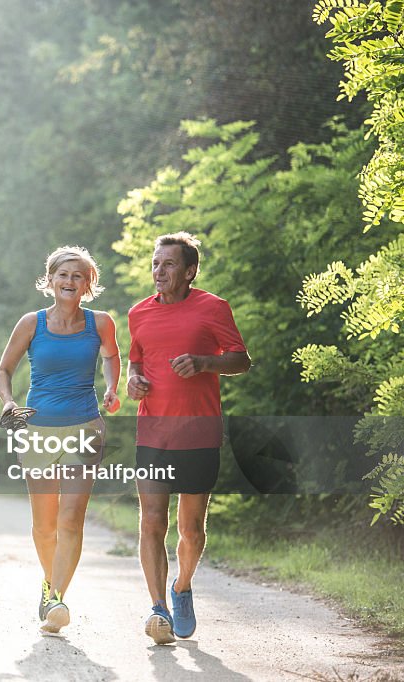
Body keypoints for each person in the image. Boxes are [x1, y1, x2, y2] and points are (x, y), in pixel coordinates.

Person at [126, 232, 250, 645]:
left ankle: (182, 587)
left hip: (199, 432)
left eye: (169, 265)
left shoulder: (213, 308)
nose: (159, 272)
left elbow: (240, 360)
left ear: (190, 271)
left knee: (191, 530)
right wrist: (133, 380)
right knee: (151, 521)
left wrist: (202, 363)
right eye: (156, 264)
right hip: (154, 432)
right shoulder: (139, 313)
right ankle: (158, 607)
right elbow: (136, 359)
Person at [0, 245, 120, 634]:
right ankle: (50, 585)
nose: (69, 282)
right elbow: (3, 371)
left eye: (77, 276)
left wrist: (113, 387)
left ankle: (56, 597)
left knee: (71, 518)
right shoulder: (32, 323)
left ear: (88, 284)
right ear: (50, 281)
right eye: (63, 275)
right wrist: (10, 402)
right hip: (38, 431)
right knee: (44, 524)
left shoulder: (101, 323)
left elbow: (112, 357)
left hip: (85, 427)